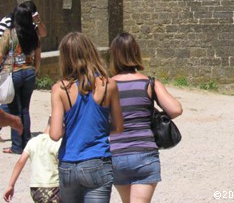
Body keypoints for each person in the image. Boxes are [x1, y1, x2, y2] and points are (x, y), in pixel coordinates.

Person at [109, 32, 183, 203]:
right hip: (144, 154)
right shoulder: (149, 84)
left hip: (116, 153)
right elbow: (176, 110)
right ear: (136, 53)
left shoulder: (106, 85)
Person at [50, 32, 123, 202]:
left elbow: (55, 134)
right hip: (97, 159)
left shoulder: (59, 89)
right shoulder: (108, 85)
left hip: (68, 163)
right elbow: (119, 127)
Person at [0, 1, 46, 143]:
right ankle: (26, 140)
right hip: (29, 72)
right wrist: (35, 70)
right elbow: (38, 55)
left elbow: (1, 54)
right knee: (25, 109)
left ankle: (16, 145)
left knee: (14, 108)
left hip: (15, 72)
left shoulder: (10, 33)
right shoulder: (34, 34)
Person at [3, 118, 61, 203]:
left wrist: (11, 185)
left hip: (35, 189)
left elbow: (20, 162)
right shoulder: (58, 142)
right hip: (53, 187)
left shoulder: (33, 141)